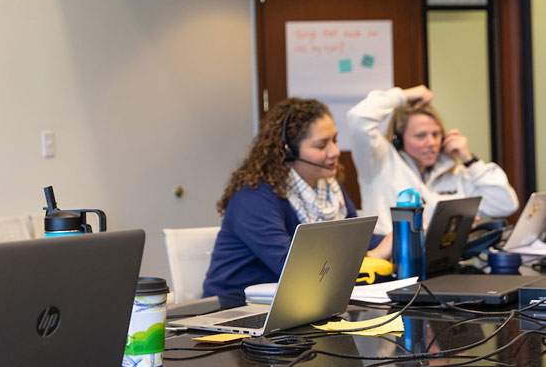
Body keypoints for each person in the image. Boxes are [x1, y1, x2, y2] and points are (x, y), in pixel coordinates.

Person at [203, 98, 388, 308]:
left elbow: (355, 239)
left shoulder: (329, 188)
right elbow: (294, 270)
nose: (334, 152)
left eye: (335, 140)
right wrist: (372, 255)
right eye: (321, 145)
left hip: (296, 306)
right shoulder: (253, 197)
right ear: (288, 150)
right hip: (238, 311)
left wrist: (399, 238)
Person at [344, 85, 518, 235]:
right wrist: (404, 95)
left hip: (445, 263)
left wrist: (470, 161)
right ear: (399, 140)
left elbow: (505, 204)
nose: (432, 143)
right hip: (394, 262)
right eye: (421, 136)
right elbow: (358, 118)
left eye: (436, 134)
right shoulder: (380, 162)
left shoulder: (454, 172)